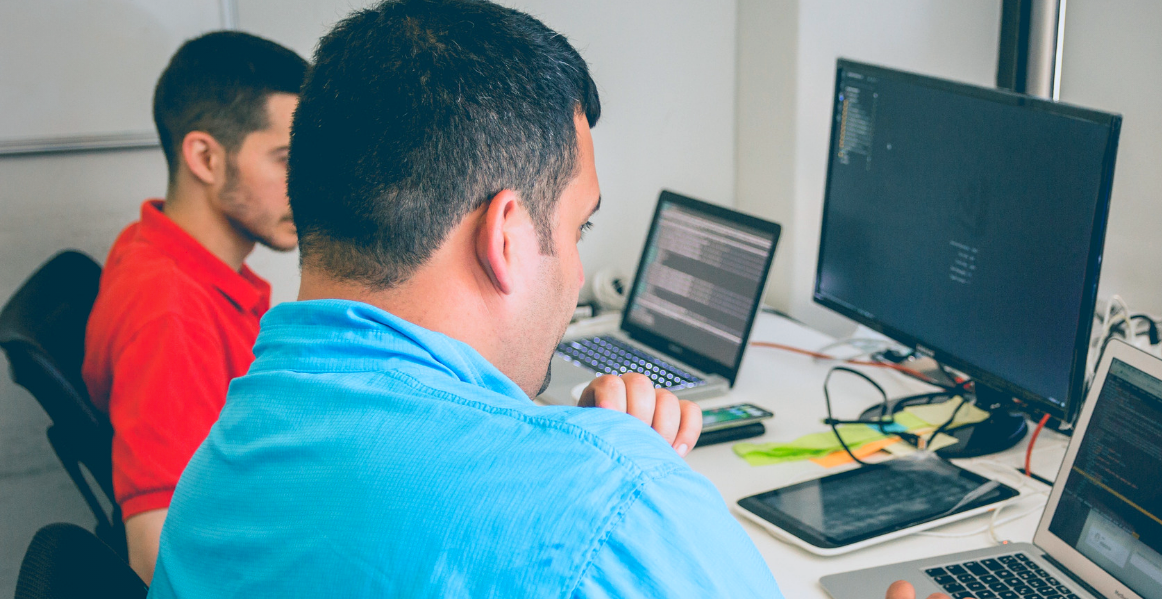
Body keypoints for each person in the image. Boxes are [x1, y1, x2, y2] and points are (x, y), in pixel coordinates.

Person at [147, 3, 951, 598]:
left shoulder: (219, 464)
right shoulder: (615, 511)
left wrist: (578, 461)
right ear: (504, 237)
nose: (575, 270)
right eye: (576, 228)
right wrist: (620, 488)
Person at [80, 31, 307, 582]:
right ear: (205, 157)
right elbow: (156, 556)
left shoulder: (156, 245)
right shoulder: (169, 315)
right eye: (286, 159)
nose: (308, 186)